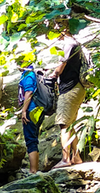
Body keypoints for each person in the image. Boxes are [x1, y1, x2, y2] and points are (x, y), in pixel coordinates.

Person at [50, 22, 86, 167]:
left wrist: (52, 75)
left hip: (70, 88)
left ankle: (65, 159)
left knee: (64, 125)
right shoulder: (76, 43)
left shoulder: (68, 44)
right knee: (71, 124)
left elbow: (60, 67)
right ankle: (76, 158)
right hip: (78, 87)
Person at [18, 64, 42, 173]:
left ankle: (33, 171)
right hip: (38, 109)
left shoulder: (28, 75)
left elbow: (29, 91)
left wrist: (24, 110)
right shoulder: (33, 73)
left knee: (30, 140)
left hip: (31, 110)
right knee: (33, 138)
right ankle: (34, 170)